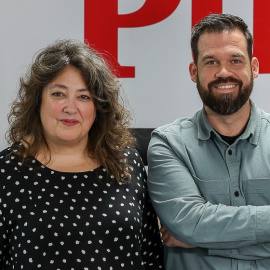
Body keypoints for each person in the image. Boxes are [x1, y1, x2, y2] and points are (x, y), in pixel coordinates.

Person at [0, 39, 164, 269]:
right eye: (58, 94)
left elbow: (150, 254)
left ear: (99, 107)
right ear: (38, 101)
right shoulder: (7, 170)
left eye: (84, 97)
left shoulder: (126, 161)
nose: (70, 107)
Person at [147, 13, 270, 270]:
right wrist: (194, 231)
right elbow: (189, 224)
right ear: (194, 71)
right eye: (211, 62)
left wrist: (205, 242)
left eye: (235, 60)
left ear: (254, 67)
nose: (224, 73)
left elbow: (193, 233)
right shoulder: (168, 144)